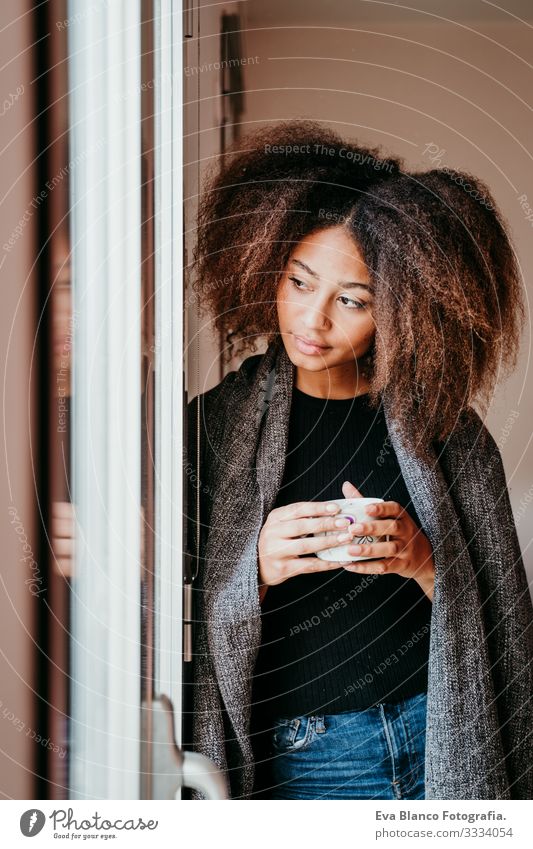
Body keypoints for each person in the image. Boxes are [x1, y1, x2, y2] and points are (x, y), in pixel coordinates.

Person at [184, 120, 533, 800]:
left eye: (351, 301)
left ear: (398, 311)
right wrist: (254, 566)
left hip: (436, 727)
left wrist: (420, 559)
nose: (312, 321)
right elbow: (166, 613)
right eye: (298, 282)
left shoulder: (447, 430)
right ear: (265, 268)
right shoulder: (213, 428)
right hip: (309, 754)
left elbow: (501, 615)